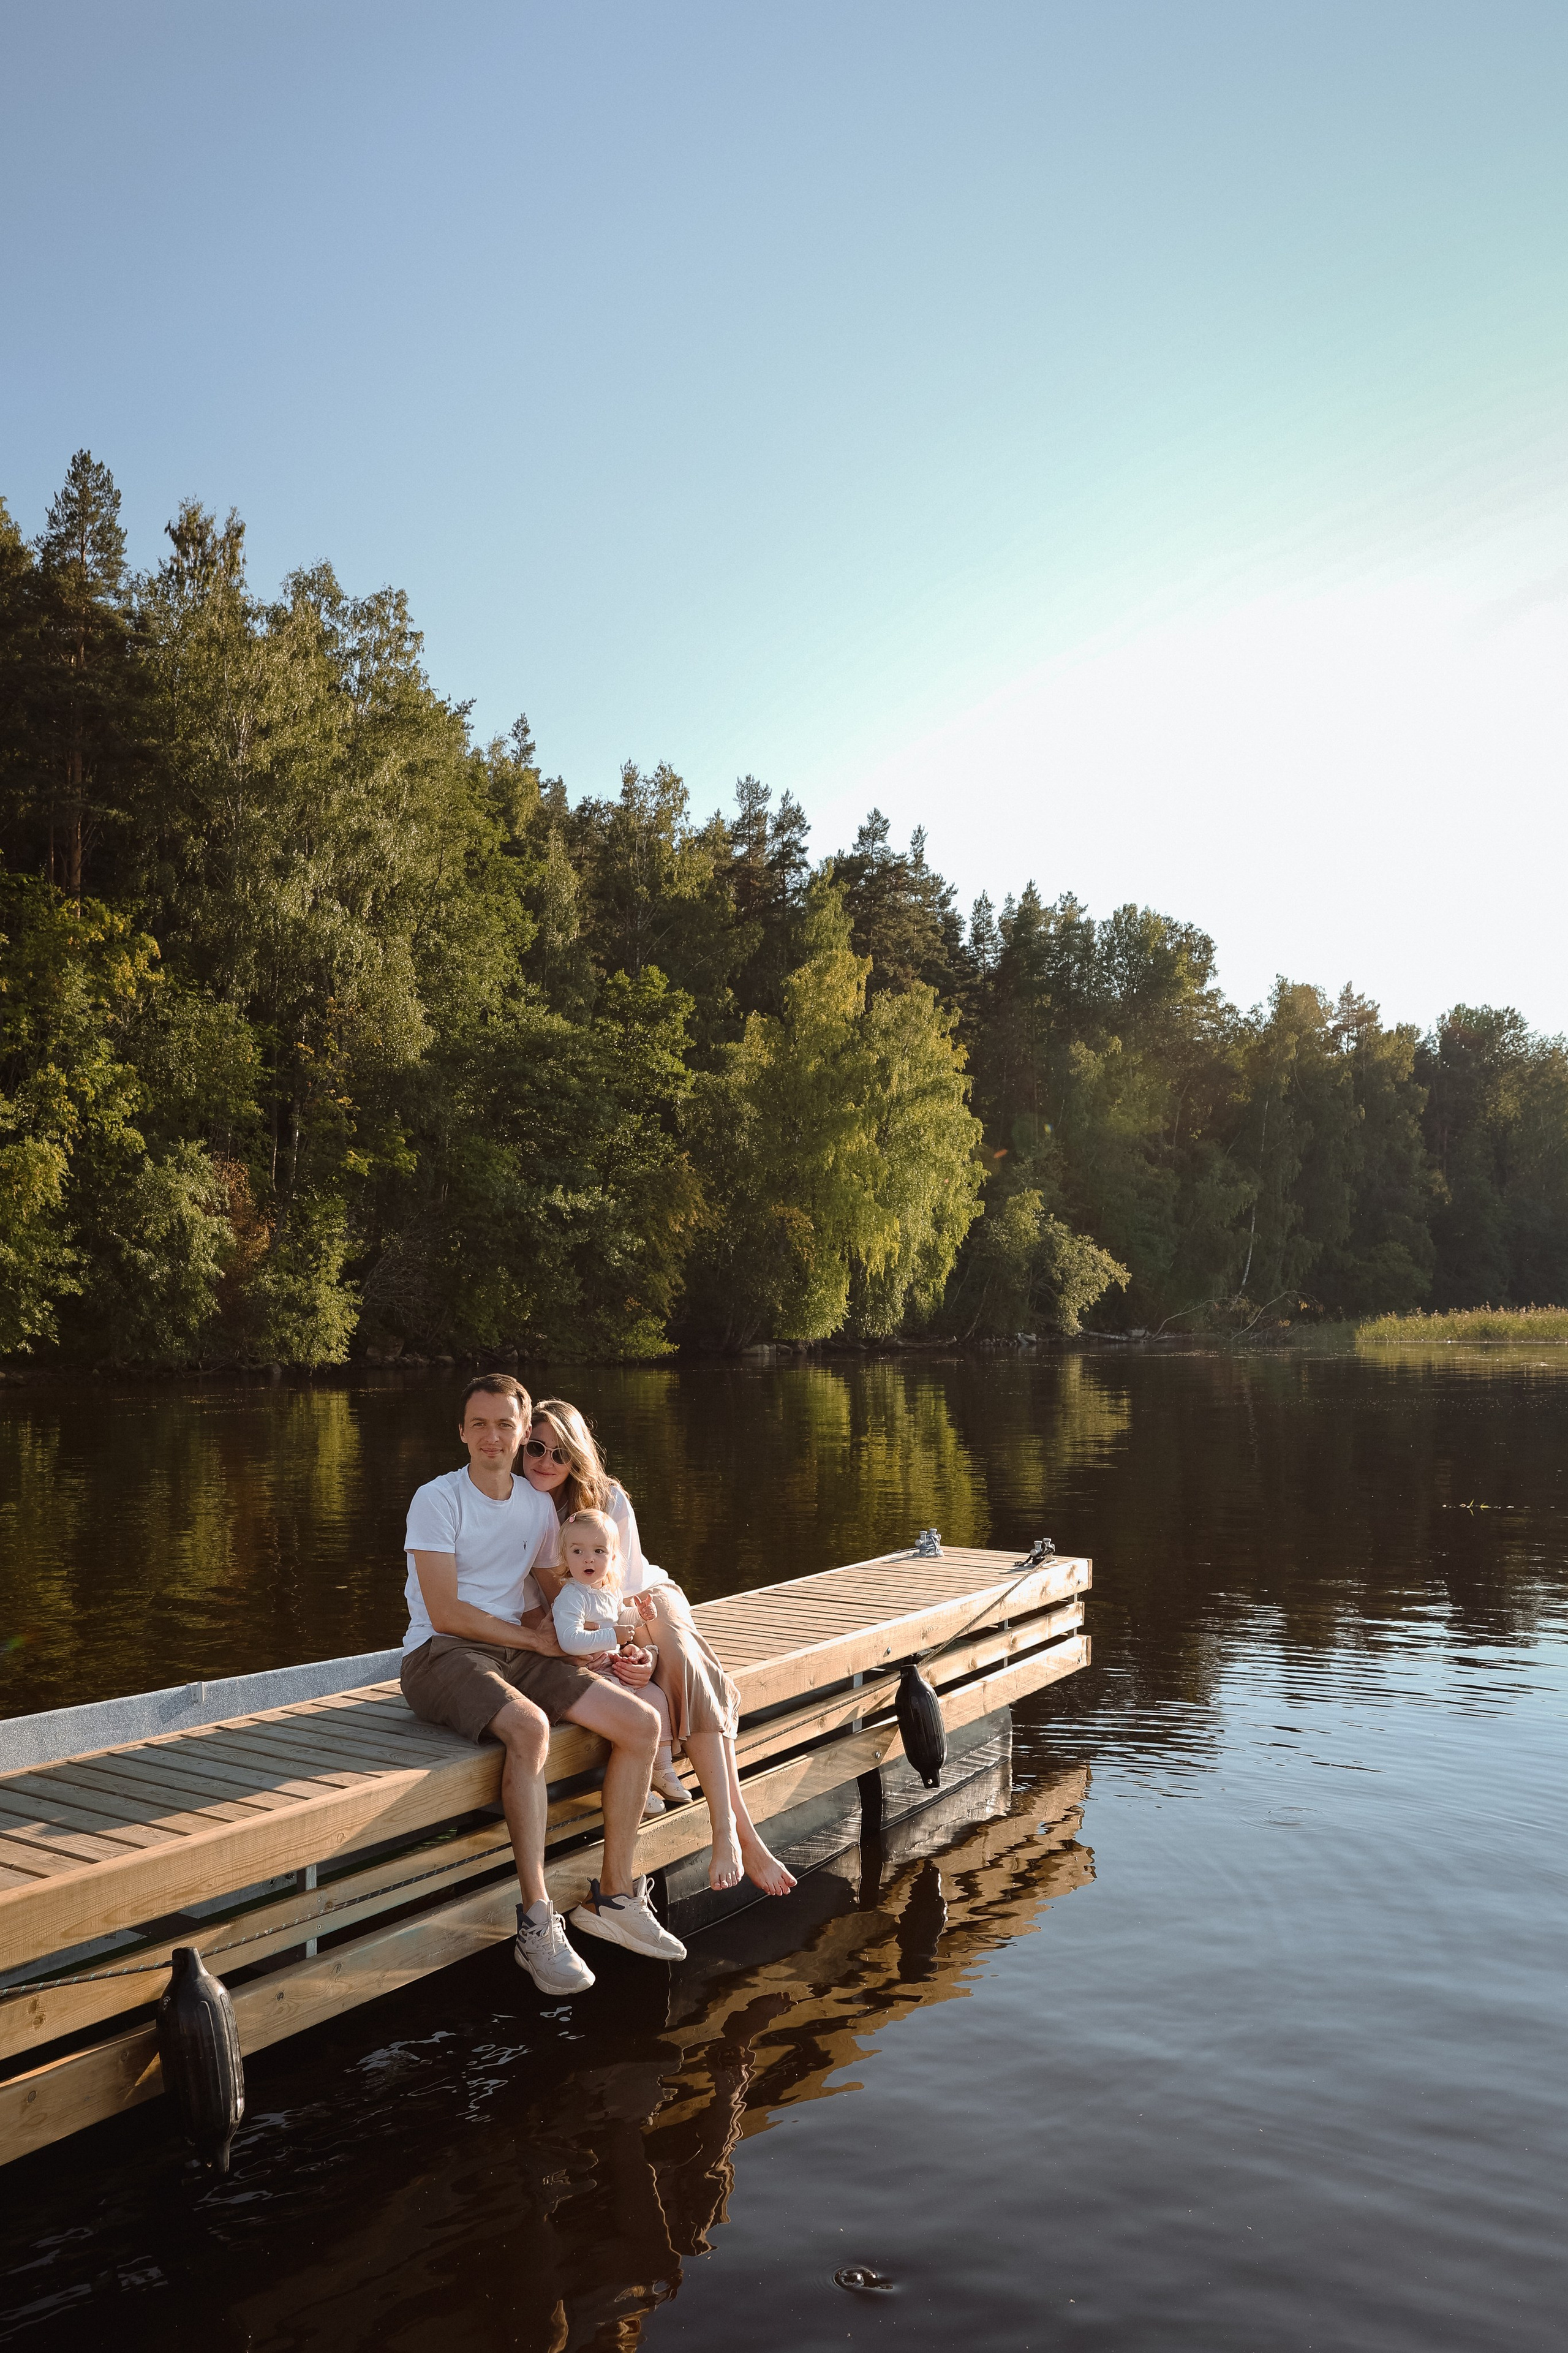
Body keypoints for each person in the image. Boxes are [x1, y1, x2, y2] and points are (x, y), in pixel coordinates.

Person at [401, 1373, 687, 1995]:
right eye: (479, 1423)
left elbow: (564, 1600)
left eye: (505, 1424)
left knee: (642, 1723)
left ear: (521, 1431)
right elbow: (445, 1611)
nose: (491, 1436)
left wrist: (616, 1650)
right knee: (530, 1727)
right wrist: (537, 1643)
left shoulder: (535, 1507)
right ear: (461, 1432)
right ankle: (537, 1920)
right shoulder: (437, 1499)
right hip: (441, 1653)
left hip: (515, 1650)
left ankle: (613, 1895)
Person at [523, 1397, 797, 1898]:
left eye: (560, 1453)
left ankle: (728, 1829)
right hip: (594, 1619)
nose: (546, 1461)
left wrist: (640, 1651)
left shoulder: (610, 1501)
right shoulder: (523, 1506)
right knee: (686, 1669)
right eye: (535, 1447)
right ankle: (742, 1831)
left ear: (579, 1456)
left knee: (679, 1657)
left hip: (641, 1597)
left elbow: (622, 1595)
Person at [550, 1508, 693, 1813]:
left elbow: (618, 1618)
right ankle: (636, 1780)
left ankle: (663, 1768)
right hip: (589, 1669)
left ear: (613, 1558)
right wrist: (613, 1636)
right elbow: (570, 1641)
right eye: (578, 1551)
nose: (589, 1559)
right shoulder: (571, 1597)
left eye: (599, 1551)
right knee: (630, 1706)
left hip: (610, 1662)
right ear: (565, 1557)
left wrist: (638, 1616)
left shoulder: (608, 1590)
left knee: (655, 1695)